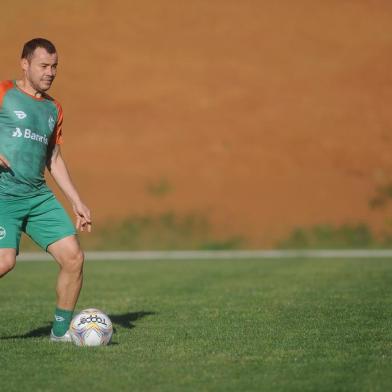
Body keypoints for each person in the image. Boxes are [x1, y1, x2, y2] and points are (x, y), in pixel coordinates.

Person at [0, 38, 91, 342]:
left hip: (37, 196)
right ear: (24, 64)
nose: (50, 72)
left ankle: (60, 333)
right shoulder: (3, 92)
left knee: (73, 258)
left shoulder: (54, 108)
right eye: (44, 65)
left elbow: (53, 157)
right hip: (3, 195)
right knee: (5, 262)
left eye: (54, 67)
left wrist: (76, 200)